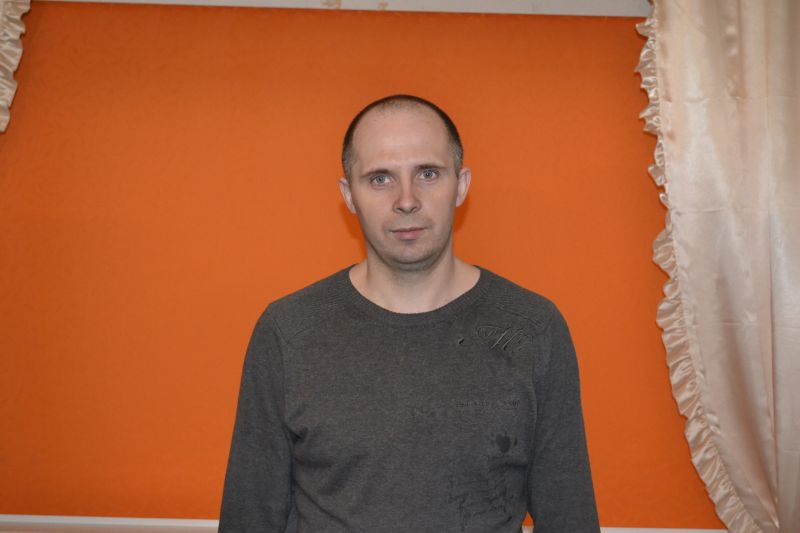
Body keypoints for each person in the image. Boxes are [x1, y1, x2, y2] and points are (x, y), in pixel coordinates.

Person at [218, 95, 600, 532]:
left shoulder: (533, 328)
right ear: (349, 195)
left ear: (461, 185)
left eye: (428, 173)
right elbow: (248, 518)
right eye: (380, 178)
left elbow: (569, 518)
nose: (406, 200)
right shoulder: (288, 331)